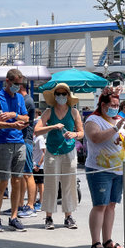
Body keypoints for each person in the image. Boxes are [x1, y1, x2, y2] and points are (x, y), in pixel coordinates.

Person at [84, 86, 125, 248]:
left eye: (117, 104)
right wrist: (115, 129)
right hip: (99, 169)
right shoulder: (93, 120)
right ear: (102, 104)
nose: (115, 107)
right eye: (112, 104)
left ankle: (107, 240)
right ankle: (95, 242)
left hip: (119, 170)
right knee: (100, 205)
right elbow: (95, 137)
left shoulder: (118, 119)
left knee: (111, 205)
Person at [34, 83, 84, 230]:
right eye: (58, 94)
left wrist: (74, 134)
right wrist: (52, 127)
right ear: (54, 96)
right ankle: (48, 217)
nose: (61, 96)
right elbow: (37, 130)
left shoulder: (74, 112)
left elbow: (81, 133)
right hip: (51, 151)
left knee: (69, 184)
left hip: (69, 151)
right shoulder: (48, 112)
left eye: (64, 94)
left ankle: (68, 216)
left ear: (68, 96)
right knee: (50, 184)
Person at [0, 69, 28, 232]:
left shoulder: (19, 97)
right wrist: (11, 125)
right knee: (3, 181)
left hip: (20, 143)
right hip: (3, 143)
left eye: (20, 84)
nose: (18, 87)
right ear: (7, 81)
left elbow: (26, 118)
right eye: (16, 83)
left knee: (17, 181)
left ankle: (14, 217)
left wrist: (14, 115)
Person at [17, 81, 37, 218]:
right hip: (20, 140)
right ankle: (19, 204)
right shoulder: (22, 99)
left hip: (26, 140)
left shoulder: (27, 101)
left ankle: (30, 205)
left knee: (28, 173)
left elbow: (25, 123)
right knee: (22, 174)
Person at [32, 132, 46, 212]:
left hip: (39, 166)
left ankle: (41, 201)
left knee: (40, 184)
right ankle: (33, 201)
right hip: (33, 164)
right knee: (35, 184)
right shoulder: (34, 137)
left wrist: (38, 164)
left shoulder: (40, 138)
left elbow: (44, 152)